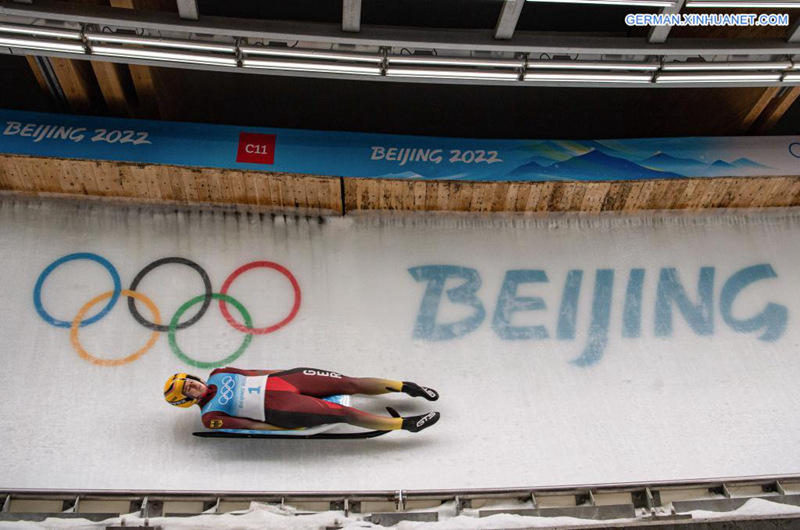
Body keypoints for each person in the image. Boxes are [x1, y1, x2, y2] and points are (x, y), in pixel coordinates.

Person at [164, 367, 441, 433]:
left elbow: (257, 371)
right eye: (188, 392)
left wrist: (290, 372)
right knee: (345, 414)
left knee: (350, 383)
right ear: (186, 401)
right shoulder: (210, 415)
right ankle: (406, 425)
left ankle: (407, 386)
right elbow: (250, 426)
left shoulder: (219, 373)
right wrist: (286, 429)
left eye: (191, 383)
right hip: (280, 408)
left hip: (287, 381)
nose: (194, 388)